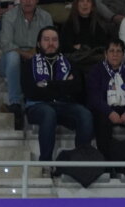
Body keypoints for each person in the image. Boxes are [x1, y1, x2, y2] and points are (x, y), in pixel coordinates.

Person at [22, 25, 93, 161]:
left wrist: (47, 84)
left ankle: (82, 160)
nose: (50, 44)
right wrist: (63, 86)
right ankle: (45, 162)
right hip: (37, 106)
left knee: (85, 114)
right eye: (46, 40)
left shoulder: (69, 63)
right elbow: (30, 91)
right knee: (48, 113)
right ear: (39, 43)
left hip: (64, 105)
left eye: (54, 40)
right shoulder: (29, 64)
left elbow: (77, 88)